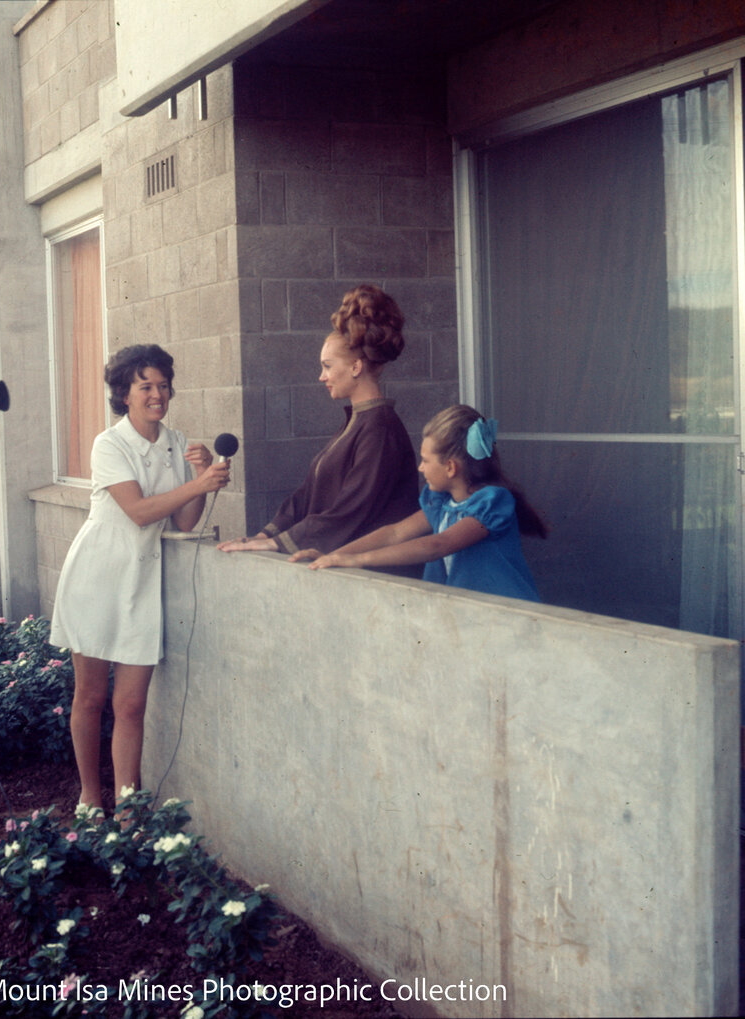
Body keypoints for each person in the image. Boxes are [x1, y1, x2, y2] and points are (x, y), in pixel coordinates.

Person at [50, 344, 229, 815]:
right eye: (145, 385)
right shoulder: (108, 444)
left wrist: (200, 472)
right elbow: (138, 512)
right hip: (97, 576)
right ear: (123, 394)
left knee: (130, 706)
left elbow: (185, 521)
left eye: (163, 385)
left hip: (142, 583)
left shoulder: (177, 441)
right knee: (90, 697)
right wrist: (198, 484)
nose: (157, 394)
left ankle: (129, 809)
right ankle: (90, 796)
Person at [217, 283, 418, 557]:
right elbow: (307, 494)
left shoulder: (379, 427)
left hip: (377, 572)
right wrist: (265, 535)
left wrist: (276, 543)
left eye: (327, 366)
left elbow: (350, 510)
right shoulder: (359, 421)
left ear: (356, 367)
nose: (321, 377)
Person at [292, 404, 547, 600]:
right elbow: (394, 533)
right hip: (472, 613)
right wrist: (334, 555)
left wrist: (359, 560)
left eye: (425, 460)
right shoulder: (441, 502)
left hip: (508, 612)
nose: (420, 467)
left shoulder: (492, 502)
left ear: (450, 467)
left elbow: (439, 544)